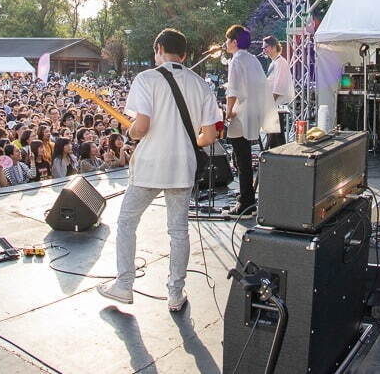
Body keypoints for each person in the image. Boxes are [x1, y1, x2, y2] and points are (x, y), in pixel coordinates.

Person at [98, 28, 219, 313]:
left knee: (128, 222)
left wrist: (129, 132)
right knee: (178, 230)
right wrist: (187, 143)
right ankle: (175, 294)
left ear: (158, 49)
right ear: (185, 54)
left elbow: (141, 128)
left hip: (151, 164)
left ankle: (124, 285)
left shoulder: (146, 78)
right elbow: (210, 136)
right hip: (182, 166)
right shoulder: (200, 83)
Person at [221, 24, 269, 216]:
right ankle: (247, 196)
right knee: (245, 158)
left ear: (233, 42)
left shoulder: (236, 60)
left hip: (241, 114)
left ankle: (246, 201)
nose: (225, 43)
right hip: (254, 112)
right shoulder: (253, 60)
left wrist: (228, 111)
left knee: (242, 159)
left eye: (227, 40)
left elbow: (233, 90)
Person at [261, 36, 293, 150]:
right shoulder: (273, 63)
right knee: (274, 136)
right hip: (273, 105)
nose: (263, 50)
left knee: (276, 136)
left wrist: (270, 103)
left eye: (265, 47)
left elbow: (279, 86)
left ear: (274, 47)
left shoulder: (281, 63)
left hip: (277, 105)